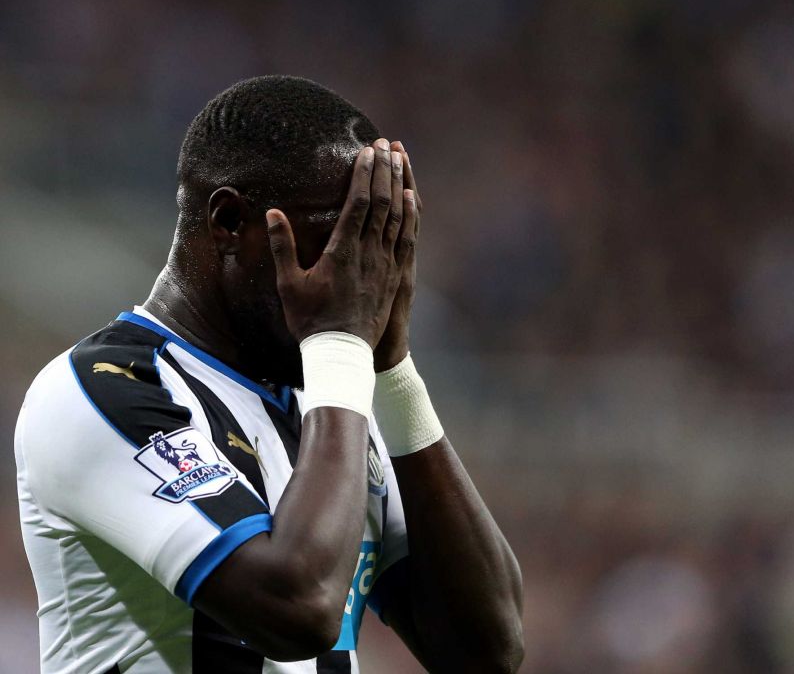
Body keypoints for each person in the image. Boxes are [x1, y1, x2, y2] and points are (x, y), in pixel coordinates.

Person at [15, 75, 524, 673]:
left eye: (378, 245)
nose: (361, 277)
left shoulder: (333, 397)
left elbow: (488, 651)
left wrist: (393, 369)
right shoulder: (104, 391)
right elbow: (297, 609)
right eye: (334, 241)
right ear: (230, 222)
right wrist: (341, 346)